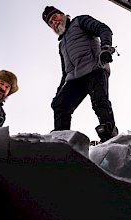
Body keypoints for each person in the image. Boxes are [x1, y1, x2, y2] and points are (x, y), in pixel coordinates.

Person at [42, 6, 118, 143]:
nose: (54, 23)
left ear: (63, 15)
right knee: (60, 104)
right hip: (75, 78)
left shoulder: (80, 21)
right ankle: (61, 140)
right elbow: (65, 71)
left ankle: (109, 134)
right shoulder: (61, 45)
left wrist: (106, 47)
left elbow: (103, 29)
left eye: (54, 18)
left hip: (95, 68)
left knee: (99, 101)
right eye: (50, 23)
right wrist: (59, 92)